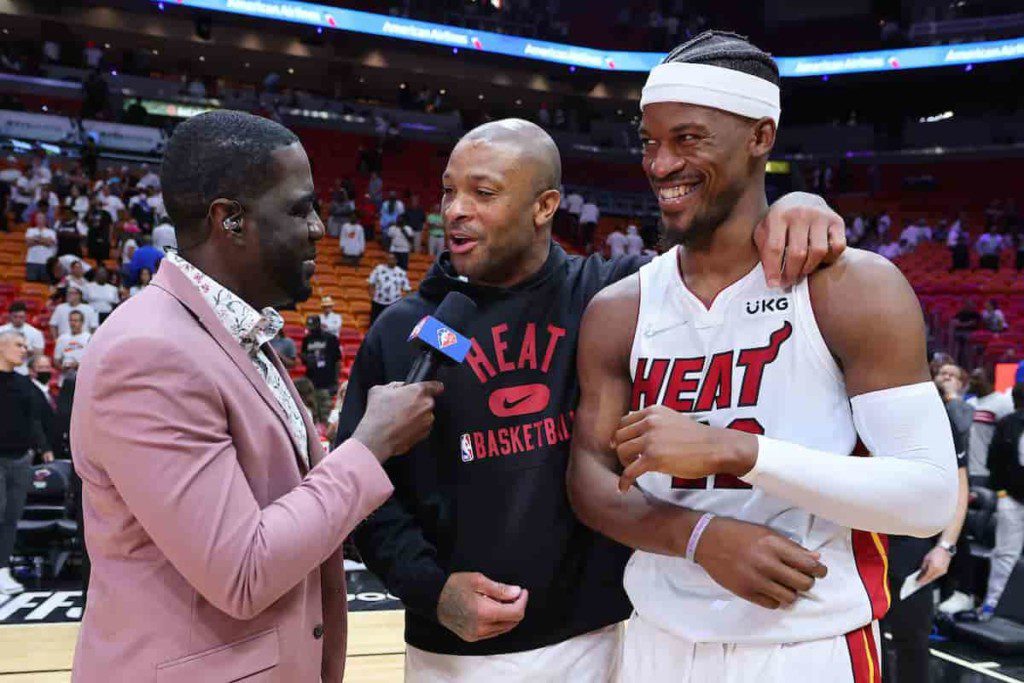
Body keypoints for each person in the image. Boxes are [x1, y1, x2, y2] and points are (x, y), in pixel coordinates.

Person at [338, 115, 847, 682]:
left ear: (545, 206)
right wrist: (429, 591)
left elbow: (719, 250)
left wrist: (796, 204)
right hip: (454, 652)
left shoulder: (616, 295)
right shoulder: (405, 331)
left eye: (482, 193)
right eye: (448, 191)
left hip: (607, 639)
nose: (455, 210)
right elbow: (365, 495)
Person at [567, 32, 956, 682]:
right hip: (654, 641)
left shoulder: (850, 287)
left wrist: (738, 452)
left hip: (805, 644)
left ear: (760, 137)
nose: (660, 164)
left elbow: (927, 498)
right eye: (649, 141)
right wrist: (698, 538)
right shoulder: (620, 308)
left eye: (687, 138)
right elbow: (590, 477)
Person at [69, 110, 441, 682]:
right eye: (299, 208)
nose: (319, 227)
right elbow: (242, 572)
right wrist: (369, 445)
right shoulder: (148, 354)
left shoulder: (237, 333)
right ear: (231, 221)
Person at [882, 362, 972, 681]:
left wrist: (945, 547)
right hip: (855, 541)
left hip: (911, 545)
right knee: (859, 641)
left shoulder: (932, 413)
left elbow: (960, 485)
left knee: (913, 643)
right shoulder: (848, 404)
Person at [0, 330, 52, 596]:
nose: (24, 350)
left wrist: (43, 448)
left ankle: (3, 571)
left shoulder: (25, 384)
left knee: (11, 517)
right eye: (18, 345)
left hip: (20, 458)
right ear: (2, 347)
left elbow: (37, 419)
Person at [981, 383, 1024, 619]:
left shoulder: (1006, 424)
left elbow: (993, 461)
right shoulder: (1008, 424)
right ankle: (992, 603)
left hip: (1010, 496)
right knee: (1005, 554)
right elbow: (994, 462)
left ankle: (992, 604)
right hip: (1011, 498)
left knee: (1005, 555)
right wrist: (1001, 492)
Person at [966, 367, 1014, 482]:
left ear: (990, 381)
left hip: (986, 472)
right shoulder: (968, 403)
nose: (971, 381)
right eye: (972, 378)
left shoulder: (1003, 403)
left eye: (976, 378)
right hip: (966, 471)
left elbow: (1009, 438)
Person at [302, 315, 342, 425]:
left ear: (319, 325)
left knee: (326, 415)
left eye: (313, 327)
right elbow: (304, 359)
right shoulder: (306, 340)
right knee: (312, 415)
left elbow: (338, 360)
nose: (311, 330)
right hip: (312, 382)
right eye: (310, 327)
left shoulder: (330, 338)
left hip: (327, 382)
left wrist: (336, 380)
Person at [0, 301, 44, 375]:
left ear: (26, 316)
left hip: (25, 372)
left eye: (21, 317)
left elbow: (39, 355)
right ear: (10, 316)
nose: (18, 320)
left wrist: (28, 352)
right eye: (15, 317)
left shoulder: (35, 333)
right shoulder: (1, 330)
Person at [367, 252, 410, 324]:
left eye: (392, 259)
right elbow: (371, 282)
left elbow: (406, 289)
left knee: (390, 323)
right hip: (378, 302)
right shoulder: (379, 269)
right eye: (389, 258)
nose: (390, 260)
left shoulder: (401, 272)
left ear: (396, 260)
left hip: (394, 303)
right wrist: (371, 294)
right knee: (374, 323)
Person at [54, 310, 91, 382]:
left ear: (82, 322)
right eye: (71, 320)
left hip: (82, 378)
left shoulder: (89, 338)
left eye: (76, 321)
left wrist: (78, 365)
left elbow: (92, 360)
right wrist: (62, 367)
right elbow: (56, 360)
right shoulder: (62, 338)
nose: (73, 323)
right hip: (65, 378)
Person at [24, 211, 57, 282]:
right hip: (32, 261)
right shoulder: (30, 230)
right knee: (31, 283)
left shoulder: (51, 232)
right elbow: (28, 242)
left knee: (45, 284)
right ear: (35, 220)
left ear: (45, 219)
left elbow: (49, 243)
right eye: (38, 218)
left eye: (41, 218)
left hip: (46, 262)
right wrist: (44, 240)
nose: (39, 219)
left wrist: (35, 239)